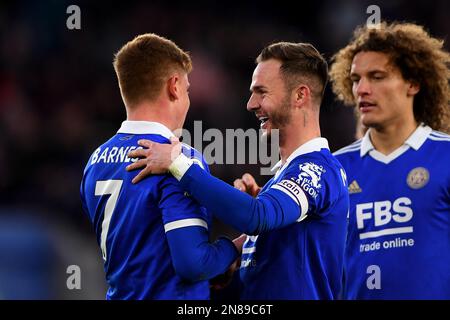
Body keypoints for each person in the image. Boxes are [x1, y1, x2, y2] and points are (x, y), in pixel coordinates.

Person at [126, 42, 349, 299]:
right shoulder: (285, 176)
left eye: (261, 92)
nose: (250, 104)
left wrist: (178, 165)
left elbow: (256, 217)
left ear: (300, 96)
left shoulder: (317, 169)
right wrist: (241, 253)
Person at [79, 34, 240, 300]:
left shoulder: (95, 160)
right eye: (187, 90)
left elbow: (143, 252)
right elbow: (192, 265)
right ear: (174, 87)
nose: (187, 101)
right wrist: (237, 247)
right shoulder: (178, 158)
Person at [330, 22, 450, 299]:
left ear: (413, 83)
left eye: (377, 76)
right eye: (356, 79)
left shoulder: (445, 156)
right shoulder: (334, 170)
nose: (362, 89)